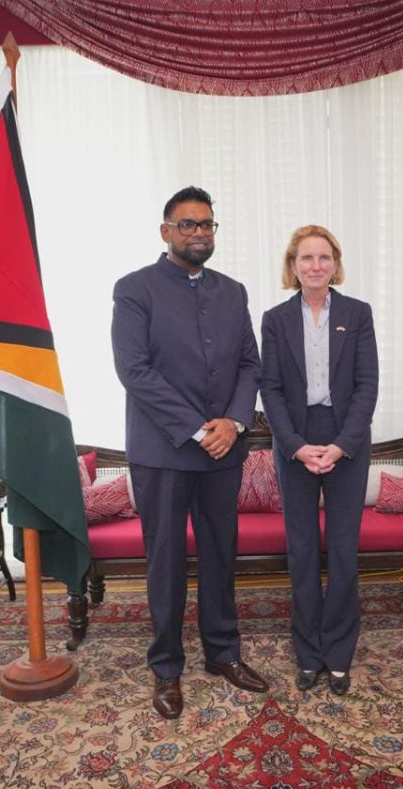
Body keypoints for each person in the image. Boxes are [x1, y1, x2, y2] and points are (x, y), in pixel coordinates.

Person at [111, 186, 268, 719]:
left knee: (222, 555)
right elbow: (135, 372)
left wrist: (235, 420)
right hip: (164, 451)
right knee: (167, 563)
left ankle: (223, 653)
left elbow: (251, 363)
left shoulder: (234, 291)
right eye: (187, 224)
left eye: (207, 224)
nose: (198, 232)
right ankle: (166, 668)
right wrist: (198, 429)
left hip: (225, 449)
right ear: (165, 231)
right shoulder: (135, 290)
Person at [259, 225, 378, 696]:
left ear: (335, 263)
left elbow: (367, 385)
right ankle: (308, 654)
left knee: (344, 554)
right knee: (303, 553)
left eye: (323, 258)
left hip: (346, 441)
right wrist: (293, 445)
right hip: (295, 441)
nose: (315, 266)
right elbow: (269, 388)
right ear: (292, 266)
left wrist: (343, 444)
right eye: (305, 258)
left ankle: (339, 653)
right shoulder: (274, 319)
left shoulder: (357, 313)